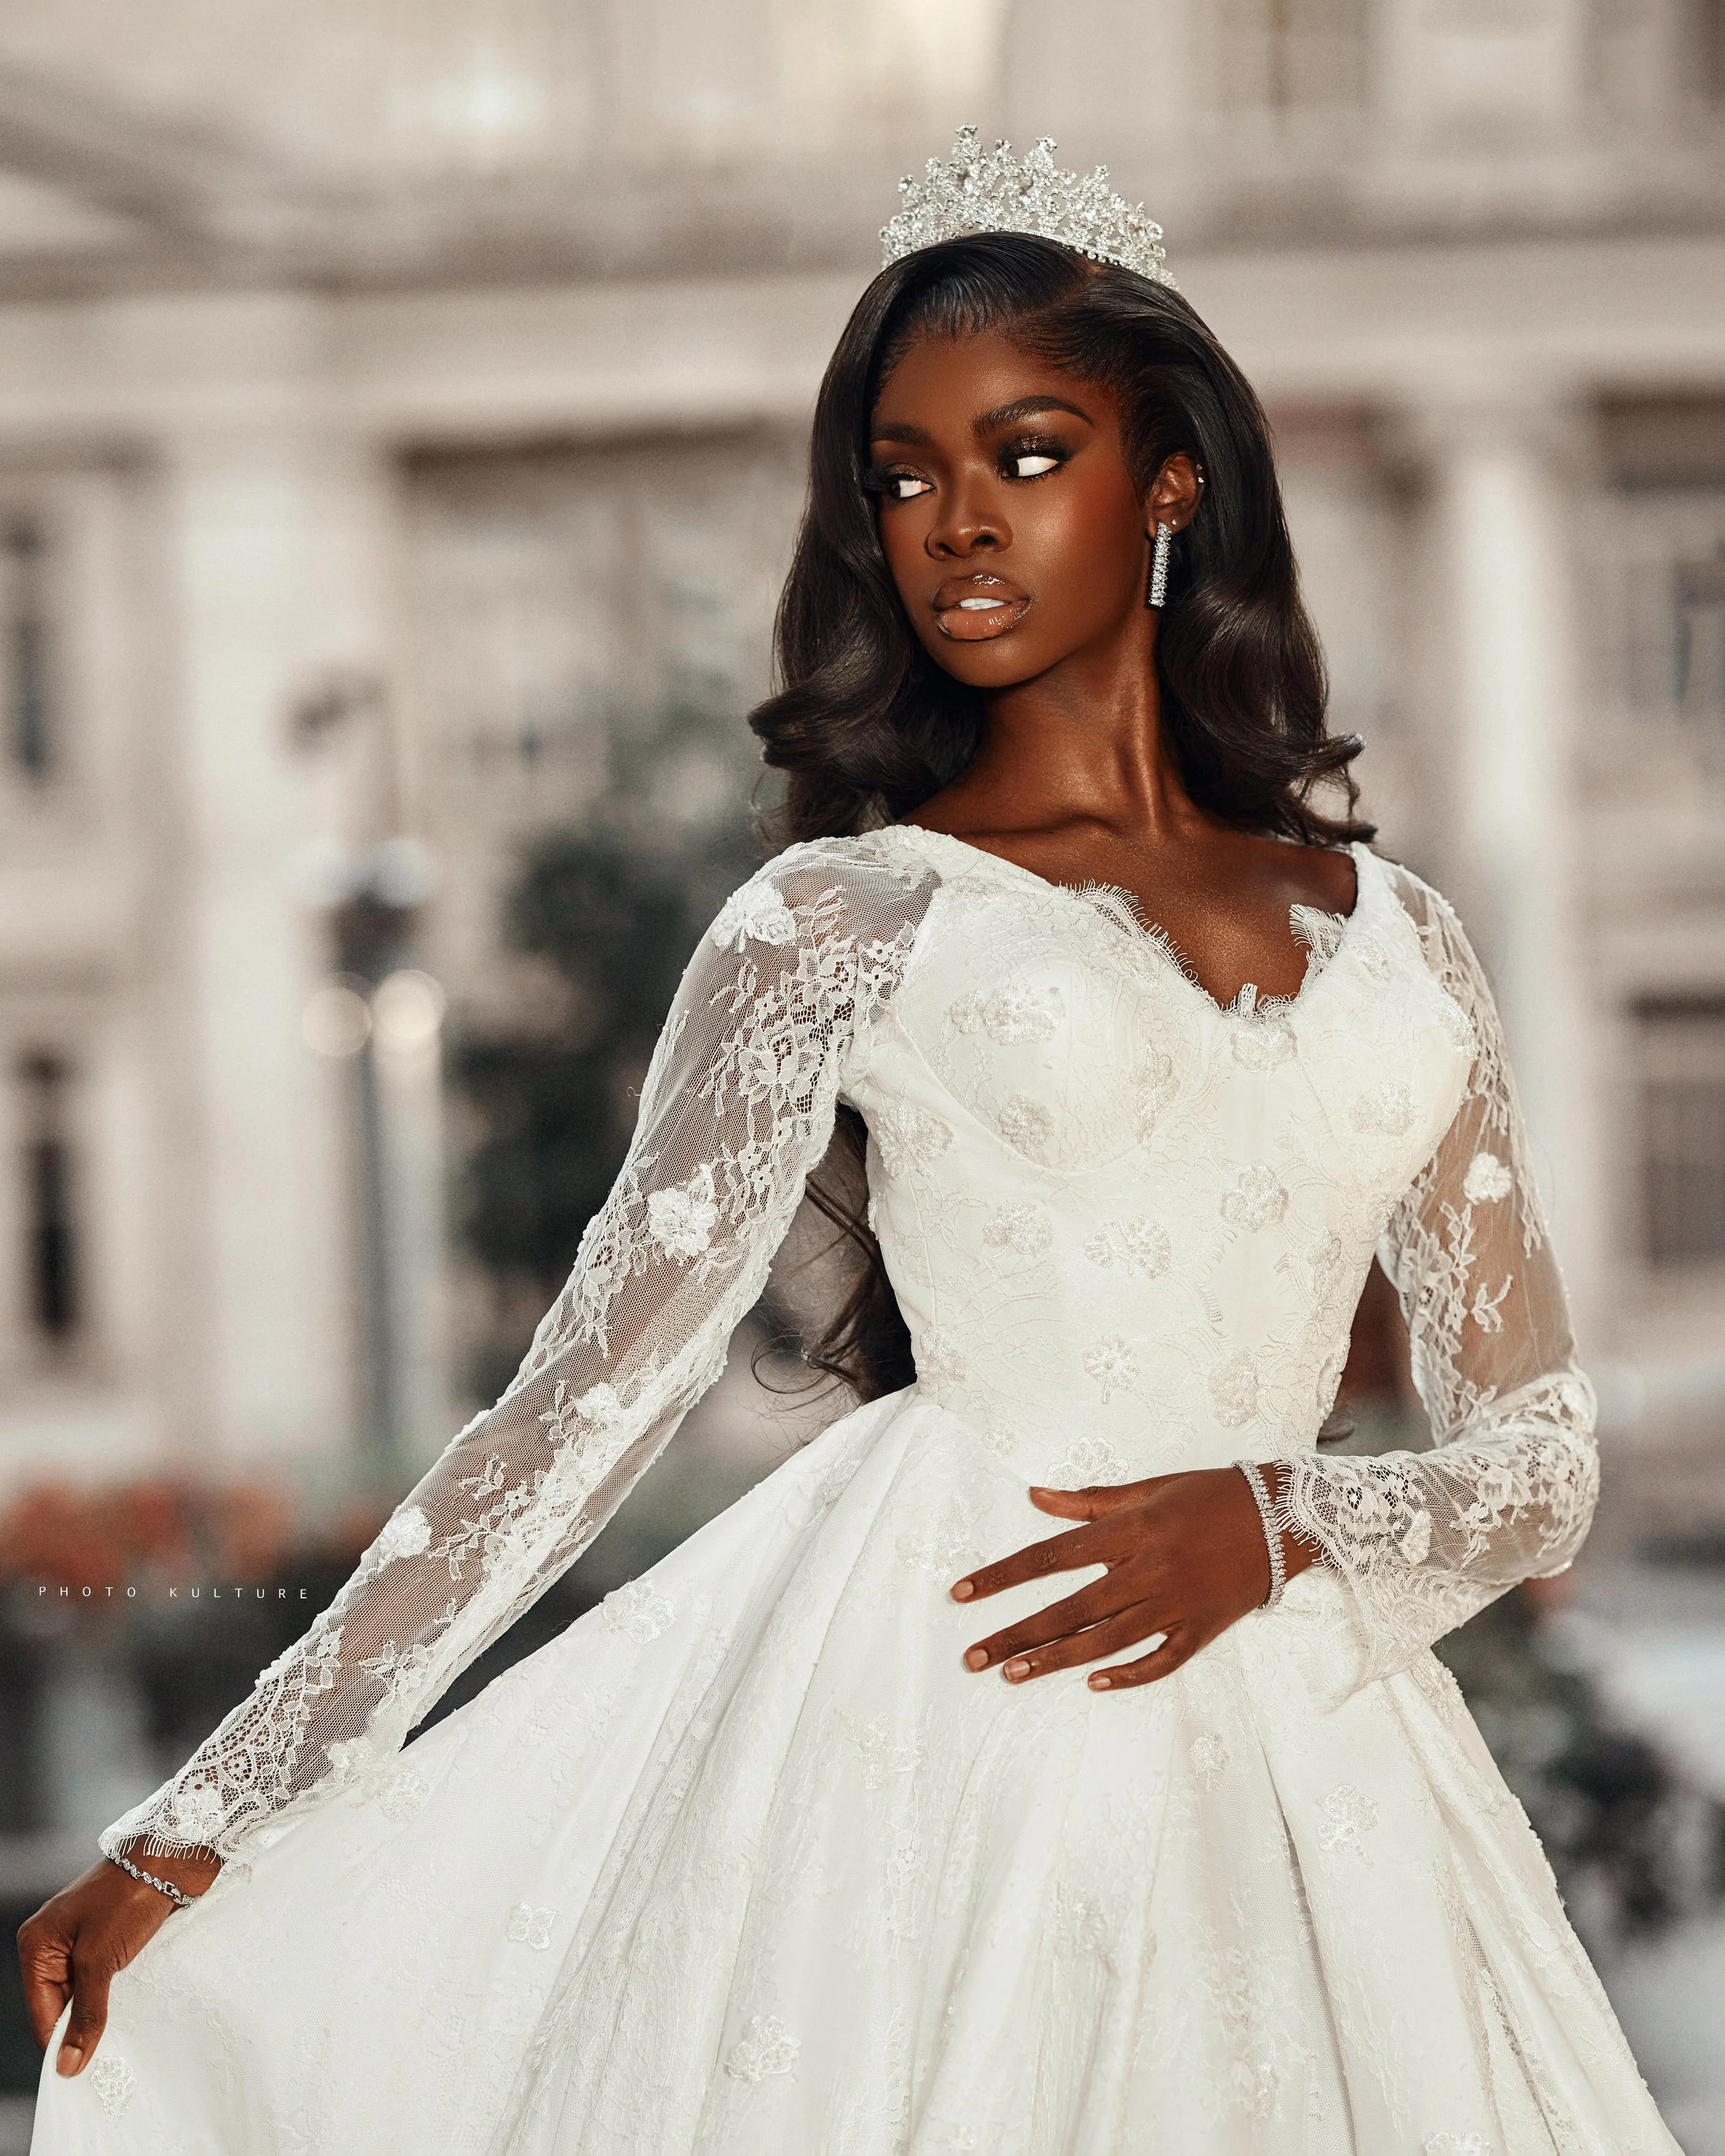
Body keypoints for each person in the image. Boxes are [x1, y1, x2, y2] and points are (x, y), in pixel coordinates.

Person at [21, 130, 1678, 2153]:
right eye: (901, 480)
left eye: (1028, 455)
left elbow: (1540, 1454)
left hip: (1321, 1758)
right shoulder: (837, 921)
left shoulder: (1401, 936)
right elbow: (570, 1423)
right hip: (951, 1719)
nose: (955, 525)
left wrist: (1286, 1519)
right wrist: (198, 1824)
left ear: (1173, 482)